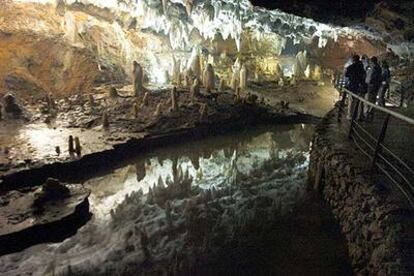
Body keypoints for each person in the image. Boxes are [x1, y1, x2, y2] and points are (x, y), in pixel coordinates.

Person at [345, 55, 366, 120]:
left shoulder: (351, 67)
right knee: (359, 102)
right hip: (360, 86)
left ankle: (350, 115)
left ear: (353, 60)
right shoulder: (361, 66)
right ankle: (358, 116)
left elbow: (346, 74)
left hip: (353, 85)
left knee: (351, 101)